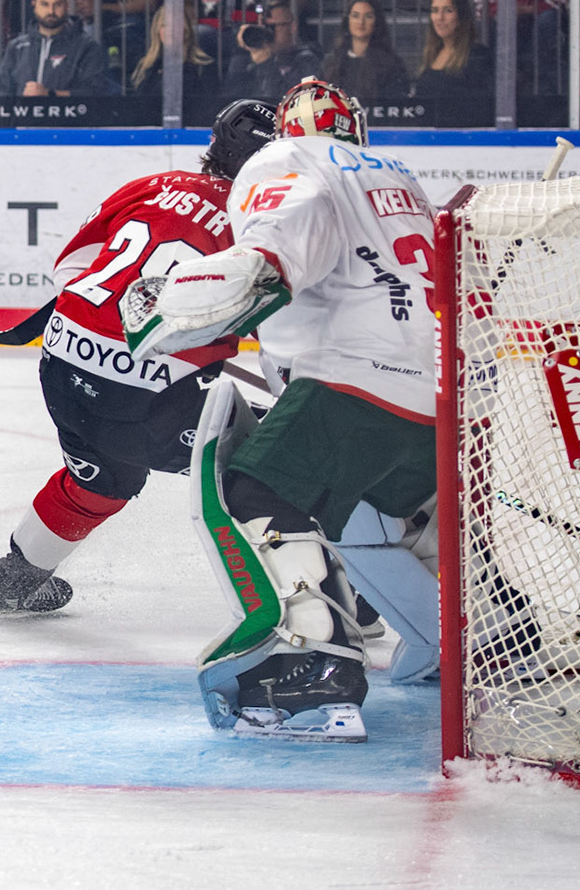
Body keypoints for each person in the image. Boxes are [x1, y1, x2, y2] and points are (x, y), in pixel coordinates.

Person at [135, 80, 436, 742]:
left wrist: (214, 285)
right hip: (447, 387)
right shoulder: (399, 175)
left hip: (358, 376)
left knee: (251, 483)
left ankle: (312, 655)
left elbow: (278, 239)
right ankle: (457, 639)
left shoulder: (292, 159)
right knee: (374, 517)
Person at [0, 99, 277, 614]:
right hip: (150, 397)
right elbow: (279, 339)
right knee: (274, 458)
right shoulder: (260, 223)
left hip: (62, 364)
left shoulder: (155, 184)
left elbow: (73, 267)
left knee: (104, 477)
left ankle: (11, 582)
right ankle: (324, 601)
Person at [0, 0, 108, 98]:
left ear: (66, 5)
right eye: (44, 4)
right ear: (34, 5)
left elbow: (95, 93)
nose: (51, 11)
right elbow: (0, 91)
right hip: (22, 116)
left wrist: (50, 94)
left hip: (68, 116)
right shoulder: (16, 47)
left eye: (57, 4)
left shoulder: (87, 46)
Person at [219, 1, 321, 100]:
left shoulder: (306, 59)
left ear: (292, 27)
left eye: (273, 27)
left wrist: (266, 64)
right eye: (263, 27)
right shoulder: (253, 57)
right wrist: (241, 50)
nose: (268, 32)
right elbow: (231, 96)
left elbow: (282, 100)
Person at [319, 0, 407, 104]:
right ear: (348, 21)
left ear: (376, 22)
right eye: (355, 16)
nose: (361, 22)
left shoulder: (392, 64)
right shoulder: (331, 63)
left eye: (368, 16)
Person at [411, 0, 493, 101]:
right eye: (435, 10)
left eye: (448, 10)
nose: (440, 18)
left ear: (461, 17)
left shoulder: (476, 55)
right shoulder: (432, 53)